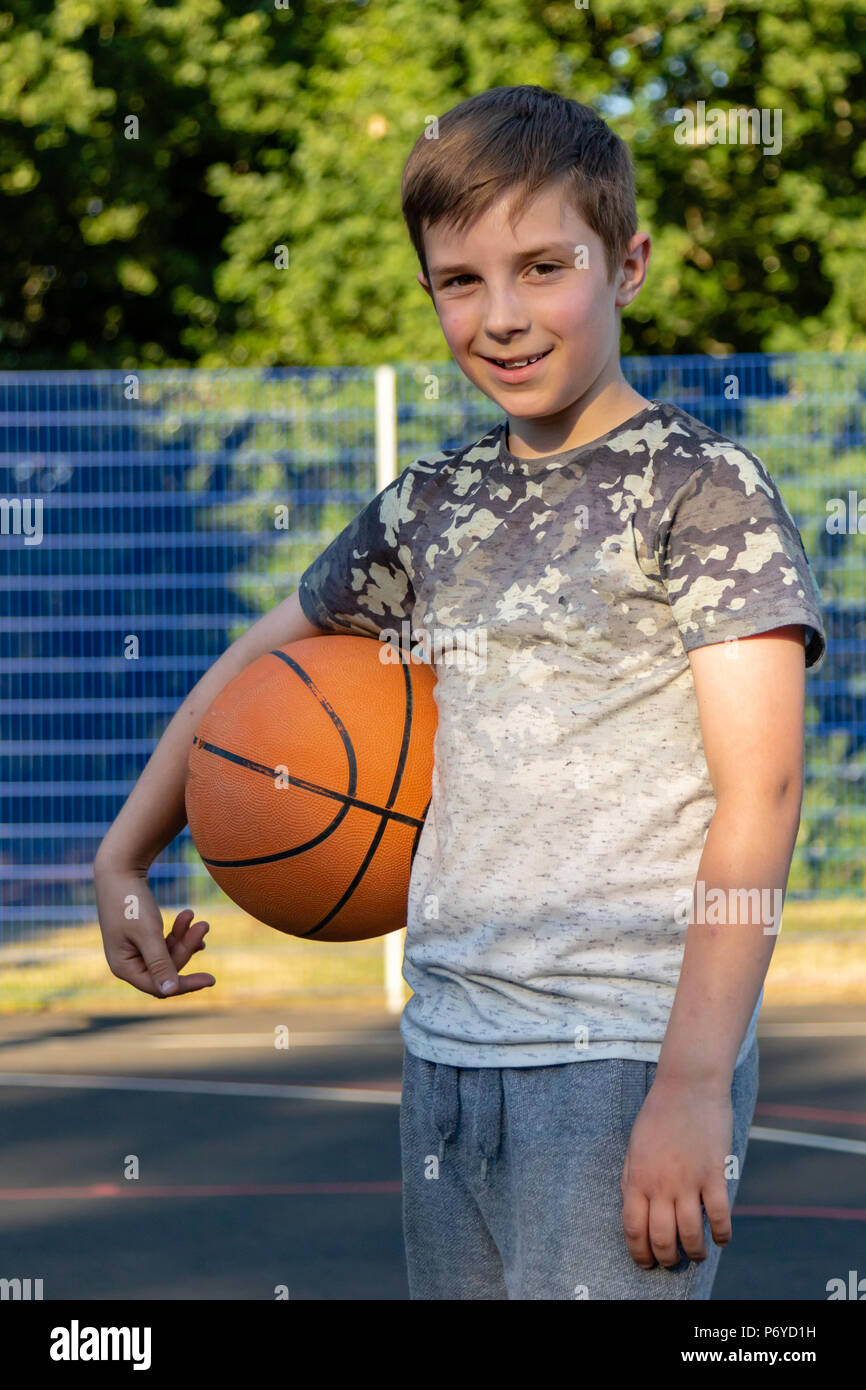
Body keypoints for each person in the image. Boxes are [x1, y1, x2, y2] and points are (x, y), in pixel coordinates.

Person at [96, 84, 827, 1301]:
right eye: (460, 281)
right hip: (444, 1050)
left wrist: (694, 1081)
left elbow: (763, 793)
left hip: (617, 1053)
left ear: (626, 263)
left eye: (543, 267)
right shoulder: (432, 506)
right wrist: (127, 853)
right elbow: (252, 665)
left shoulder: (698, 491)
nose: (501, 316)